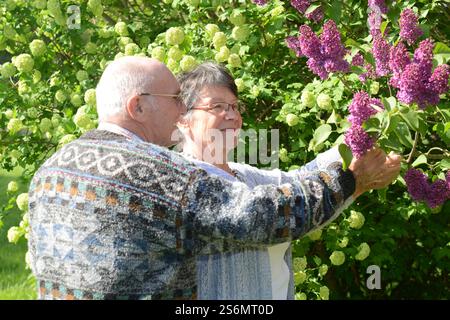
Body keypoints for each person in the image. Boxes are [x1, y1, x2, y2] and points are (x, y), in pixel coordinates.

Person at [27, 56, 401, 300]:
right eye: (175, 98)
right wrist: (350, 180)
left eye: (234, 107)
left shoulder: (52, 169)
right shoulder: (162, 174)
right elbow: (261, 217)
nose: (178, 109)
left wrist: (355, 140)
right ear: (137, 106)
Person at [176, 62, 400, 299]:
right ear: (183, 119)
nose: (231, 115)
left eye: (234, 105)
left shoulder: (245, 175)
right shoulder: (185, 182)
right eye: (217, 106)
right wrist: (352, 180)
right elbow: (273, 213)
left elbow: (301, 182)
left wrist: (359, 135)